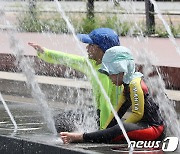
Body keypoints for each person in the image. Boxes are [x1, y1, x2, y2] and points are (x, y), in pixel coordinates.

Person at [60, 46, 166, 144]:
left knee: (120, 128)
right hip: (140, 124)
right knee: (116, 122)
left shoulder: (135, 84)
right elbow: (117, 110)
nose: (110, 78)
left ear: (122, 70)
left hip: (154, 129)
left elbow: (137, 114)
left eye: (111, 73)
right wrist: (106, 129)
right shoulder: (126, 84)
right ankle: (99, 135)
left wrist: (116, 129)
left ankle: (81, 137)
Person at [28, 28, 123, 132]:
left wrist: (103, 132)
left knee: (62, 123)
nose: (87, 48)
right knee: (60, 121)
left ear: (100, 49)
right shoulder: (92, 64)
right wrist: (45, 52)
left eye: (90, 45)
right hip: (99, 112)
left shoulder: (107, 73)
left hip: (109, 117)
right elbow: (69, 59)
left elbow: (106, 103)